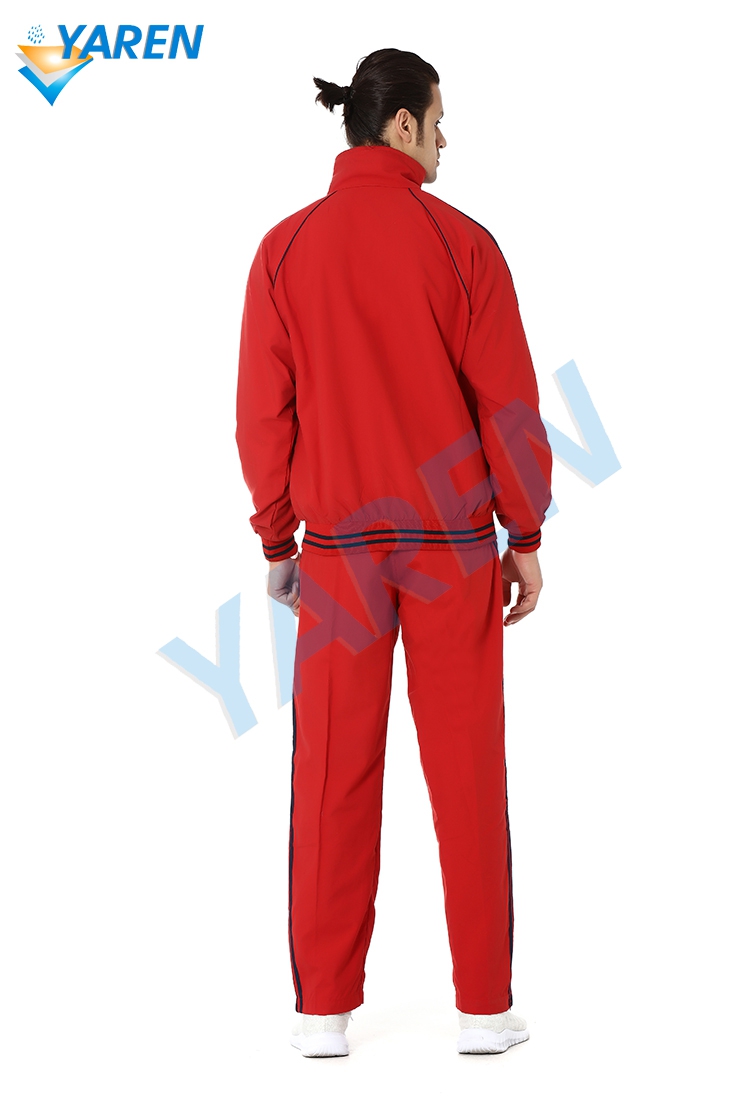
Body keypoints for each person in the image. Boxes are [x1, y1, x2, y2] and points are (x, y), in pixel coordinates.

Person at [235, 47, 553, 1058]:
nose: (446, 140)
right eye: (439, 121)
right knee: (469, 773)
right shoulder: (464, 245)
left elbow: (262, 414)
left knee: (333, 774)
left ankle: (322, 1014)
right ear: (402, 124)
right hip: (453, 548)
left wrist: (278, 537)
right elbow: (509, 406)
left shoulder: (286, 249)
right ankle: (485, 1010)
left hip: (338, 553)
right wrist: (524, 532)